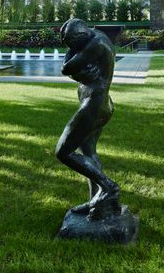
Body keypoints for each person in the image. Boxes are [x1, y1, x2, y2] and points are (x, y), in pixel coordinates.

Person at [56, 18, 119, 215]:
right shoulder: (93, 36)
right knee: (89, 153)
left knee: (63, 152)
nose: (71, 49)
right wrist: (78, 73)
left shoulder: (96, 44)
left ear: (80, 38)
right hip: (102, 104)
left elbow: (66, 67)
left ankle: (108, 187)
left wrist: (75, 70)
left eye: (72, 45)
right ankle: (96, 201)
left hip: (93, 105)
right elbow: (73, 69)